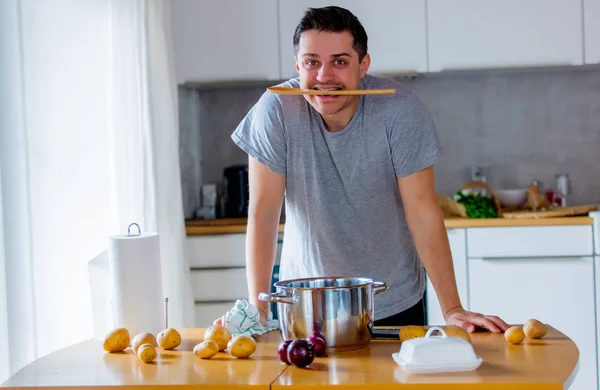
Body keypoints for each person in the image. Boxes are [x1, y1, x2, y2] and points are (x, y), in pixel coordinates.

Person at [216, 6, 509, 333]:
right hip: (307, 303)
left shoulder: (400, 111)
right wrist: (258, 308)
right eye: (312, 62)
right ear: (298, 65)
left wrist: (452, 308)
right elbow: (264, 211)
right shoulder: (275, 109)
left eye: (339, 62)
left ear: (363, 65)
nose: (324, 77)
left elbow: (422, 210)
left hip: (392, 298)